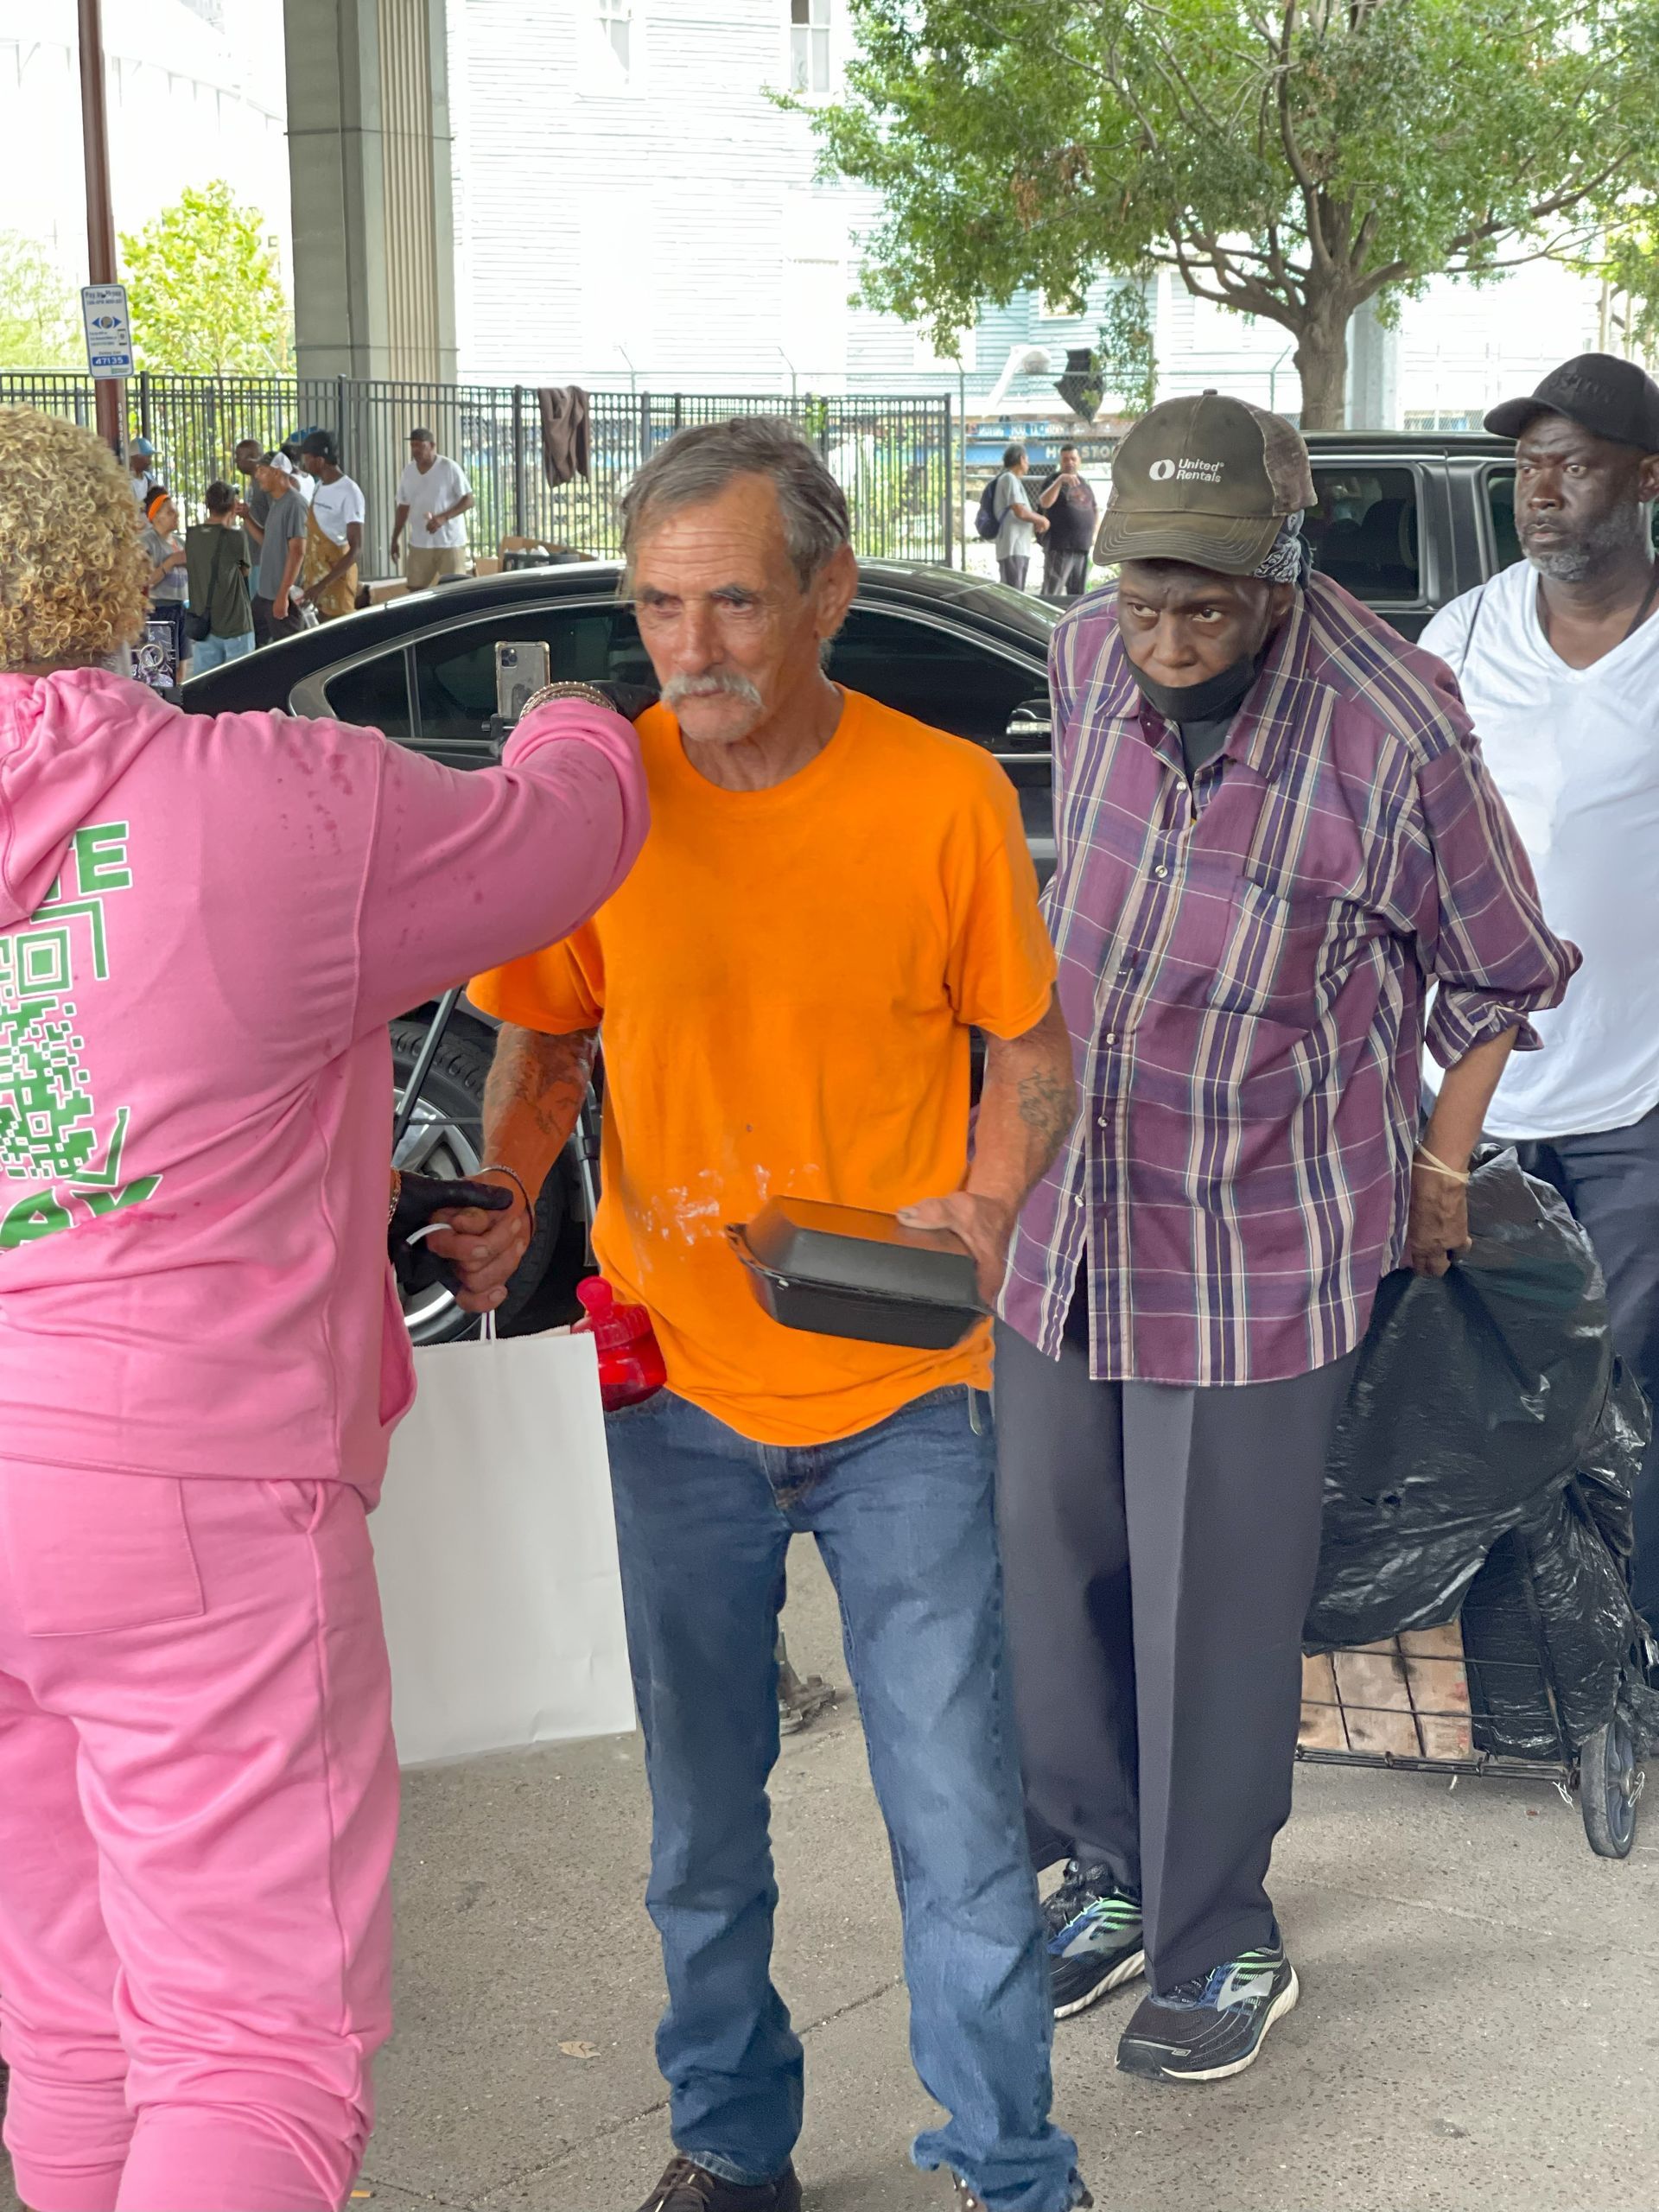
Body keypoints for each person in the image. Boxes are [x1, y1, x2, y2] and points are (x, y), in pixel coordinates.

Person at [0, 403, 647, 2212]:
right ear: (122, 569)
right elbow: (566, 838)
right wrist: (571, 708)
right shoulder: (268, 800)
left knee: (66, 2004)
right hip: (185, 1486)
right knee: (249, 2048)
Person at [438, 416, 1090, 2212]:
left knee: (960, 1828)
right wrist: (508, 1200)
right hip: (671, 1392)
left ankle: (1012, 2170)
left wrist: (990, 1198)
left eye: (732, 601)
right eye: (659, 607)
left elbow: (1033, 1054)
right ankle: (732, 2147)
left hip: (903, 1392)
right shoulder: (606, 806)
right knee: (700, 1830)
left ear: (828, 592)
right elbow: (544, 1041)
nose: (692, 647)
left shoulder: (941, 797)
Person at [995, 392, 1578, 2086]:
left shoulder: (1398, 729)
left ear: (1288, 565)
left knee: (1211, 1610)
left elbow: (1502, 968)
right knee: (1050, 1562)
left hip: (1257, 1232)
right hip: (1068, 1207)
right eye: (1147, 598)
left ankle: (1217, 1930)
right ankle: (1107, 1872)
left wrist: (1442, 1164)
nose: (1169, 640)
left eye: (1210, 604)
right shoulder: (1082, 657)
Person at [1421, 353, 1659, 1635]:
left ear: (1646, 479)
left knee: (1624, 1385)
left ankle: (1628, 1639)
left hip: (1636, 1098)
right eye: (1527, 465)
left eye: (1574, 463)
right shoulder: (1461, 636)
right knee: (1476, 1384)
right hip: (1472, 1095)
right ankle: (1505, 1647)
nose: (1542, 489)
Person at [184, 480, 256, 672]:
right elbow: (245, 570)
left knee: (206, 681)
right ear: (233, 506)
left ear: (208, 505)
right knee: (239, 680)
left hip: (204, 622)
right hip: (235, 621)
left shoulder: (192, 536)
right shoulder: (236, 537)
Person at [391, 428, 474, 588]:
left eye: (420, 445)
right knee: (415, 589)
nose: (415, 450)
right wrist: (395, 539)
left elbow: (469, 500)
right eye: (413, 445)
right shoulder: (408, 472)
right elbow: (403, 507)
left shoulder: (449, 467)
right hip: (420, 542)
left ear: (432, 446)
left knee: (454, 589)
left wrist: (443, 518)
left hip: (450, 542)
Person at [296, 429, 364, 622]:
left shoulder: (349, 492)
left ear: (320, 460)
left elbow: (356, 550)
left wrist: (321, 585)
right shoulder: (319, 486)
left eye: (307, 459)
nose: (304, 464)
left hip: (336, 580)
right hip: (317, 576)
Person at [250, 454, 308, 647]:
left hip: (281, 596)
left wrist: (282, 595)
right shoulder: (277, 502)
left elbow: (297, 551)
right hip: (266, 595)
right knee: (256, 644)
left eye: (262, 471)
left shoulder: (295, 504)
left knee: (289, 652)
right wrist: (247, 518)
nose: (257, 476)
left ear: (277, 472)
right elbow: (267, 541)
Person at [137, 486, 188, 683]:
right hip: (159, 611)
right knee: (161, 673)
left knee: (180, 671)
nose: (176, 515)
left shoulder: (179, 542)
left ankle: (179, 699)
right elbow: (144, 580)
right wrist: (171, 562)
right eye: (170, 512)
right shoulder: (147, 542)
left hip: (180, 608)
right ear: (156, 516)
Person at [1036, 446, 1097, 601]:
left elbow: (1094, 509)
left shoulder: (1084, 483)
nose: (1070, 462)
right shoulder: (1053, 480)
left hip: (1082, 546)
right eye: (1065, 459)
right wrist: (1060, 481)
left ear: (1079, 461)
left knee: (1078, 597)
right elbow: (1044, 502)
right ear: (1060, 462)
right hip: (1060, 546)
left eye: (1073, 459)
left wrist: (1094, 534)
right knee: (1051, 594)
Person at [993, 442, 1047, 591]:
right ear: (1022, 459)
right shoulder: (1009, 478)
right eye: (1027, 459)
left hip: (1018, 547)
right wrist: (1041, 520)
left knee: (1017, 590)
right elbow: (1019, 511)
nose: (1028, 463)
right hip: (1013, 547)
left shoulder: (1013, 480)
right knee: (1013, 593)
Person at [126, 435, 157, 505]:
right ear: (137, 457)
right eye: (148, 457)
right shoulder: (124, 481)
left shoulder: (149, 479)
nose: (150, 462)